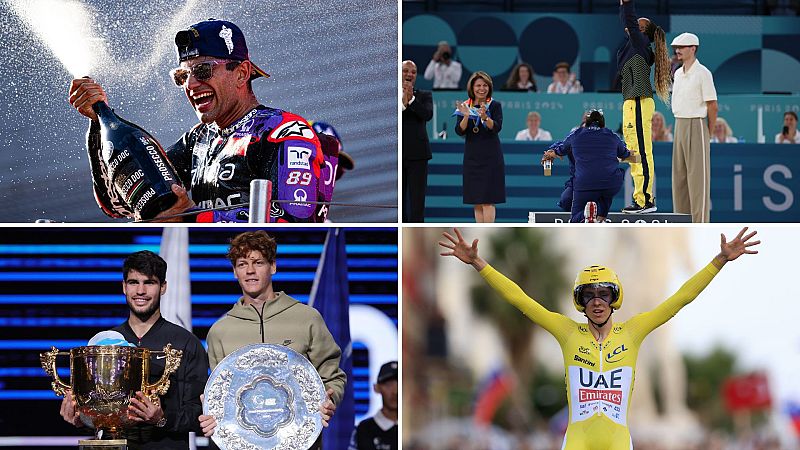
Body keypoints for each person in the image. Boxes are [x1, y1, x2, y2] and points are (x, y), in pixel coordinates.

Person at [439, 226, 760, 450]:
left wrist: (719, 261)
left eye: (603, 294)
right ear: (580, 301)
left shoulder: (633, 332)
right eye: (588, 294)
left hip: (618, 440)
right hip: (577, 440)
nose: (596, 300)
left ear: (614, 299)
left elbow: (679, 299)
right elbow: (520, 300)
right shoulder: (566, 332)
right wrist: (478, 263)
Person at [68, 19, 335, 223]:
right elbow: (120, 205)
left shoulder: (285, 133)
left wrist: (190, 217)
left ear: (241, 73)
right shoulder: (197, 140)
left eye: (203, 70)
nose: (191, 84)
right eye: (182, 77)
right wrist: (98, 121)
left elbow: (298, 223)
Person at [198, 231, 346, 449]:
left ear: (273, 267)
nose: (250, 271)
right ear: (234, 272)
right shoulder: (220, 331)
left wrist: (329, 401)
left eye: (258, 262)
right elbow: (222, 397)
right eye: (241, 264)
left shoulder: (307, 318)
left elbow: (333, 377)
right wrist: (210, 413)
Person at [59, 251, 209, 449]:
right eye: (133, 282)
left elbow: (199, 412)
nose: (140, 291)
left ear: (163, 287)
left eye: (149, 282)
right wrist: (81, 418)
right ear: (123, 287)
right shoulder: (103, 345)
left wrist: (161, 419)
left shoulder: (186, 343)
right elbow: (98, 408)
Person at [616, 0, 671, 215]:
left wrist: (626, 4)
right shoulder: (632, 47)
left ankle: (646, 200)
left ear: (641, 31)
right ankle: (639, 199)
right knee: (633, 154)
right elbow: (627, 22)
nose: (630, 26)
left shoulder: (640, 46)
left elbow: (628, 19)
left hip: (639, 101)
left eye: (636, 25)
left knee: (643, 151)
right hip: (630, 102)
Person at [542, 110, 632, 222]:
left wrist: (551, 154)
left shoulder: (584, 136)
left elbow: (559, 149)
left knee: (602, 190)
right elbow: (559, 145)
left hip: (584, 183)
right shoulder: (575, 134)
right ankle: (592, 215)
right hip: (580, 181)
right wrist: (551, 151)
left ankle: (594, 216)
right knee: (566, 201)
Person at [671, 32, 718, 223]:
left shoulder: (703, 73)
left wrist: (709, 132)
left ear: (693, 48)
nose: (677, 50)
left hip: (697, 124)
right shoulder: (677, 73)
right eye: (676, 47)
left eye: (682, 47)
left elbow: (712, 105)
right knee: (679, 179)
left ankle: (700, 226)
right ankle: (681, 224)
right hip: (679, 123)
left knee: (698, 181)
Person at [454, 71, 506, 223]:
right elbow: (459, 130)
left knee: (488, 200)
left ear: (489, 87)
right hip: (472, 156)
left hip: (491, 156)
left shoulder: (495, 105)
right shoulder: (465, 106)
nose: (481, 89)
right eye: (478, 85)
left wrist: (485, 117)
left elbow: (496, 127)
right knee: (476, 200)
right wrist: (465, 116)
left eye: (485, 85)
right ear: (472, 87)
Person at [402, 60, 434, 223]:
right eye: (406, 71)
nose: (409, 74)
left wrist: (412, 100)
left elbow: (427, 115)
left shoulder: (424, 95)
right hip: (398, 155)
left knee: (417, 202)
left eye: (413, 72)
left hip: (418, 155)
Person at [348, 361, 398, 450]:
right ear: (377, 388)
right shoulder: (362, 431)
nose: (395, 391)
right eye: (388, 385)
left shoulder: (413, 430)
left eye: (400, 384)